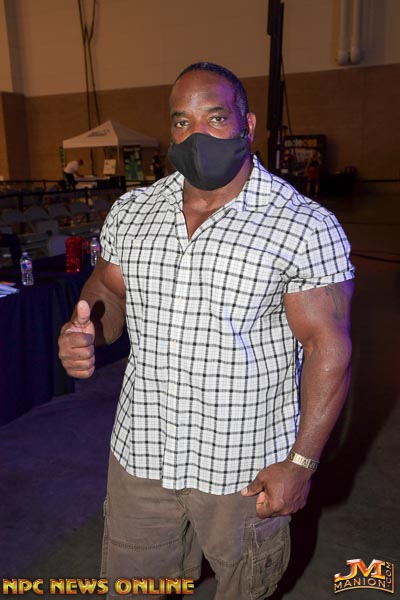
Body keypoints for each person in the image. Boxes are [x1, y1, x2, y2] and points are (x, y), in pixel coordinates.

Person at [58, 62, 354, 600]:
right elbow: (107, 291)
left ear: (247, 124)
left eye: (215, 118)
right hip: (142, 454)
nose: (197, 135)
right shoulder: (134, 211)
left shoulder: (302, 225)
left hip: (243, 469)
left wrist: (301, 463)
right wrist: (86, 331)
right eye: (182, 122)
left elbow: (326, 346)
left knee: (244, 588)